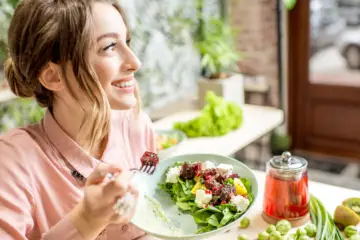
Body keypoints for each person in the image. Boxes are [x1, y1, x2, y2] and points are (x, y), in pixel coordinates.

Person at [0, 0, 157, 239]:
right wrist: (86, 219)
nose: (135, 62)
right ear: (53, 76)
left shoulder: (137, 126)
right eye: (110, 47)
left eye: (127, 42)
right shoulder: (13, 161)